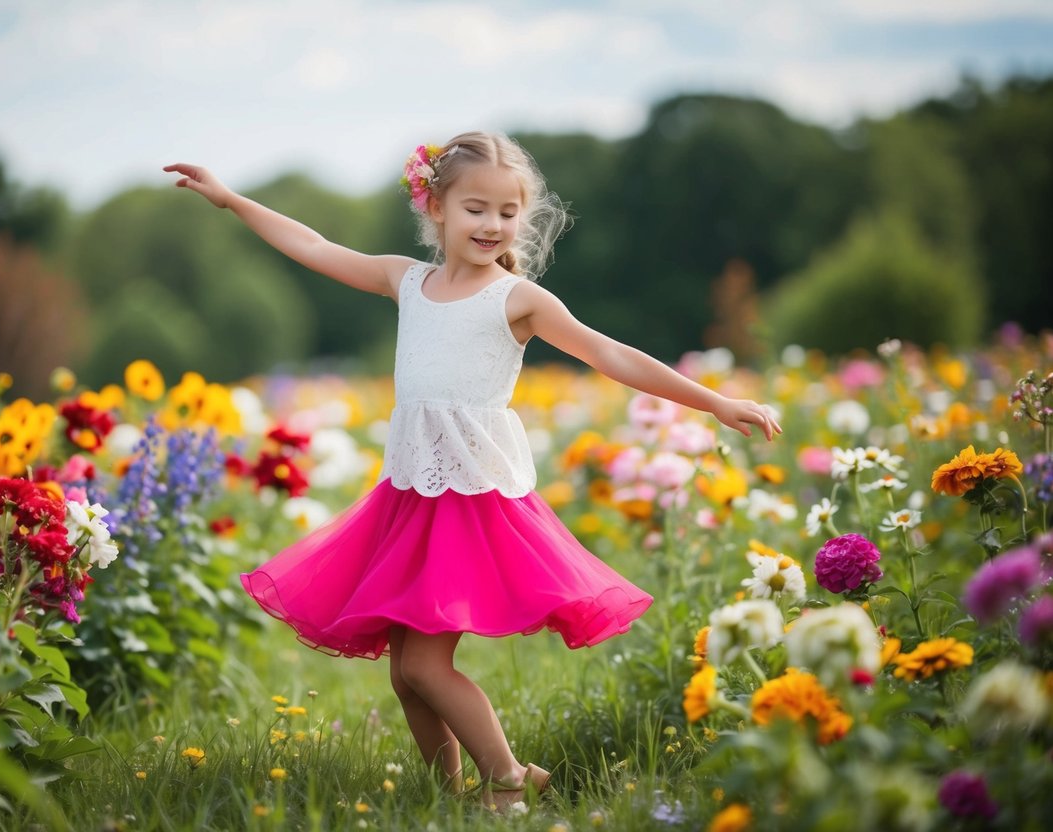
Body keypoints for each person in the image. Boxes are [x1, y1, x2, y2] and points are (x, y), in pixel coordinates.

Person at [163, 132, 781, 810]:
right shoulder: (407, 281)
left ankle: (507, 780)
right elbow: (313, 246)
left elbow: (610, 355)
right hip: (409, 498)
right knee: (406, 675)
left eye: (507, 212)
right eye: (475, 209)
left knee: (427, 665)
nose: (492, 225)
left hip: (469, 503)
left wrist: (716, 401)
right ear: (435, 207)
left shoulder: (516, 300)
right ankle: (450, 794)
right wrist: (230, 200)